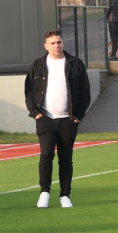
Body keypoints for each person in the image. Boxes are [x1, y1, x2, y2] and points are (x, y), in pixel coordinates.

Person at [24, 29, 91, 208]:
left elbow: (85, 91)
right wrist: (35, 112)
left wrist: (78, 115)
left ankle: (64, 195)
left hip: (68, 120)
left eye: (59, 42)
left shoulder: (75, 63)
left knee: (66, 158)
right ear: (46, 46)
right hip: (45, 119)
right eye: (52, 43)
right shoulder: (38, 65)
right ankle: (44, 193)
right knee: (46, 155)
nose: (56, 46)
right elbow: (28, 91)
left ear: (63, 43)